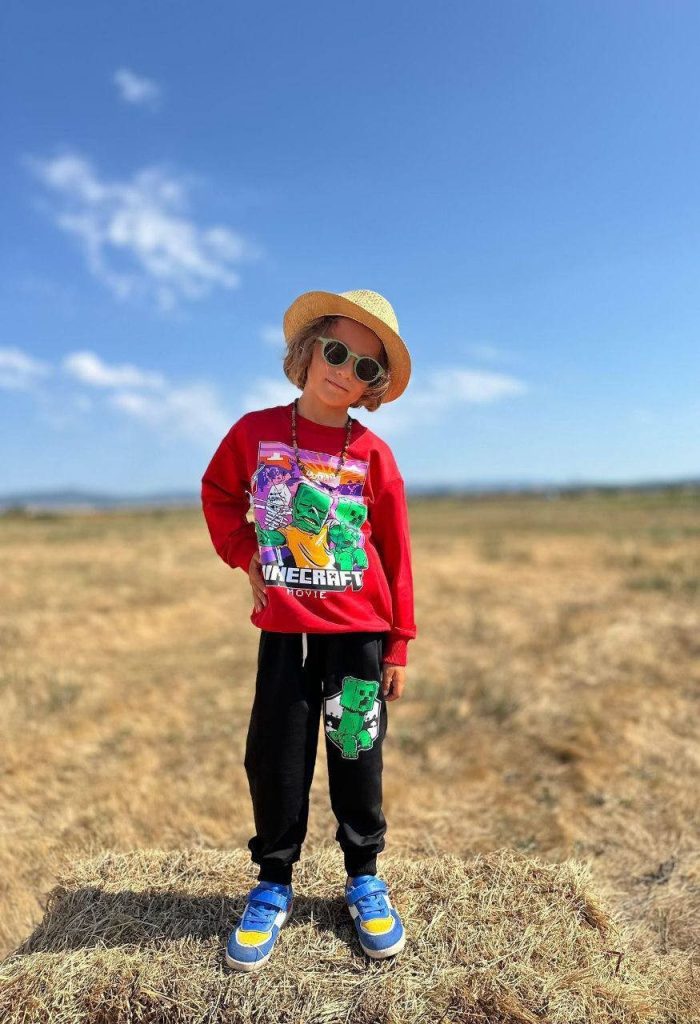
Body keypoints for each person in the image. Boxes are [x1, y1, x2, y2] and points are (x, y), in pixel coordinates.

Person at [201, 289, 417, 971]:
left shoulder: (375, 454)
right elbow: (219, 495)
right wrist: (247, 555)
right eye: (336, 351)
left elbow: (396, 553)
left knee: (357, 750)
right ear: (308, 350)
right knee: (276, 753)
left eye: (366, 366)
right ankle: (273, 881)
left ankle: (364, 876)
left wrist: (399, 643)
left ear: (374, 385)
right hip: (286, 632)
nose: (345, 370)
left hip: (359, 633)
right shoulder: (254, 433)